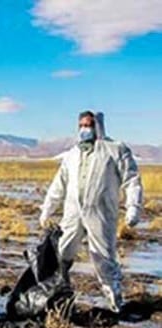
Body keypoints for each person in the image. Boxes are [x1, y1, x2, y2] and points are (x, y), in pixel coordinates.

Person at [39, 111, 143, 313]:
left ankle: (115, 302)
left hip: (101, 213)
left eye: (89, 125)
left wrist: (133, 208)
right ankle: (59, 295)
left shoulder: (115, 150)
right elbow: (58, 185)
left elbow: (132, 181)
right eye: (81, 125)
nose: (85, 129)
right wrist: (47, 210)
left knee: (104, 258)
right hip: (72, 213)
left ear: (98, 126)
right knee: (62, 253)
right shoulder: (72, 155)